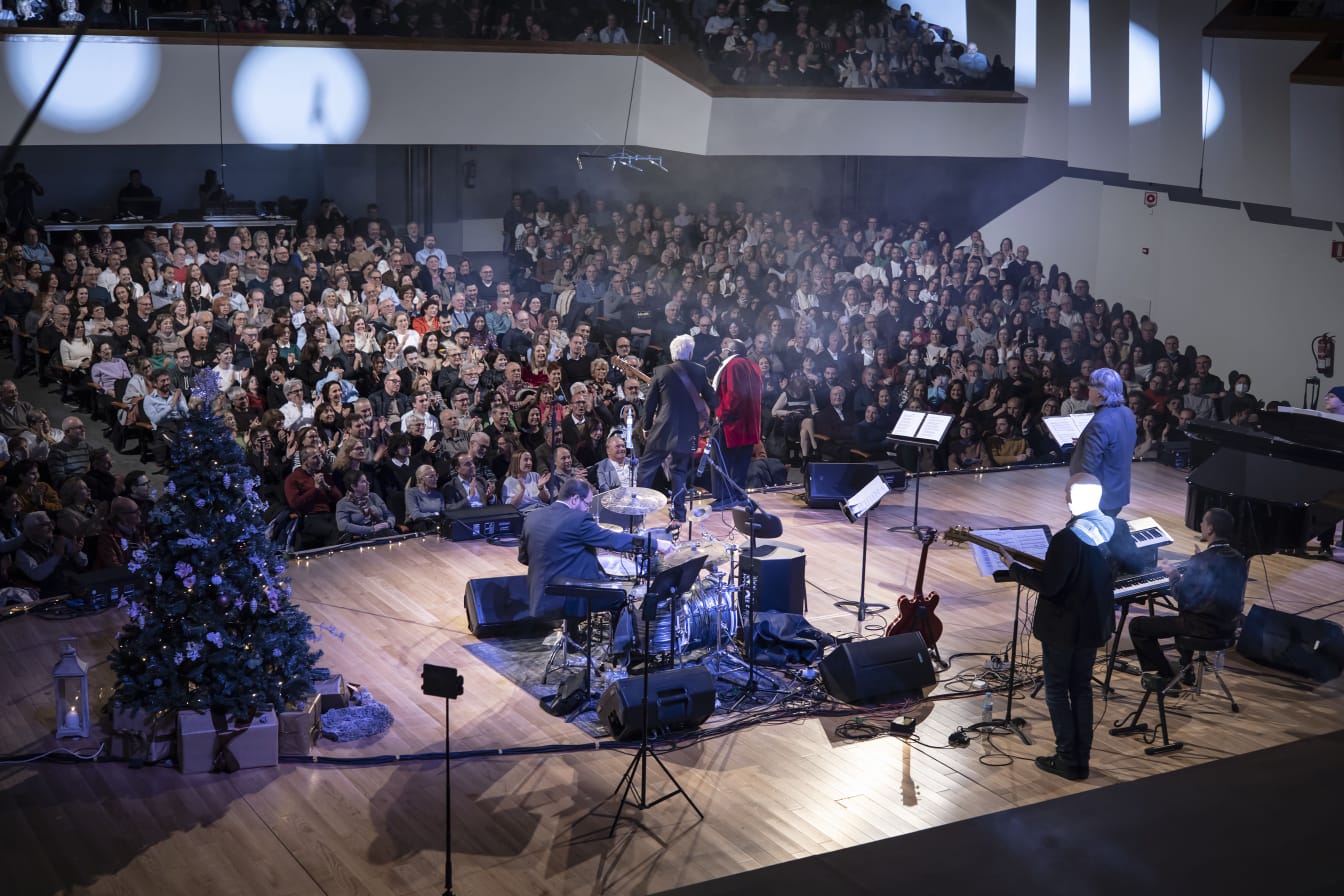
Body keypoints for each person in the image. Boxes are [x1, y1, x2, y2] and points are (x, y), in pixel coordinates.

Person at [999, 474, 1115, 781]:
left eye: (1067, 492)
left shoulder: (1067, 538)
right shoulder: (1114, 527)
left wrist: (1014, 568)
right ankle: (1081, 762)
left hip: (1064, 629)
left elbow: (1050, 586)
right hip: (1093, 625)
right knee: (1082, 690)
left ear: (1074, 498)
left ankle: (1066, 759)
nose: (1065, 497)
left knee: (1056, 692)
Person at [517, 478, 671, 632]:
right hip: (567, 597)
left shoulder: (532, 517)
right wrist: (657, 544)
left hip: (539, 596)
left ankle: (572, 638)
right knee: (620, 596)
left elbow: (524, 558)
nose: (587, 509)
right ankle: (620, 652)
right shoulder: (577, 519)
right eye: (587, 504)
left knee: (577, 575)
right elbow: (613, 539)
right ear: (575, 499)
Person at [1129, 508, 1246, 691]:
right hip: (1228, 627)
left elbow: (1182, 595)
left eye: (1203, 522)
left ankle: (1166, 675)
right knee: (1186, 614)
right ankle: (1186, 666)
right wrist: (1199, 562)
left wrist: (1174, 575)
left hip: (1203, 628)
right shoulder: (1239, 559)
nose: (1200, 525)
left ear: (1210, 529)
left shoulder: (1201, 561)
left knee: (1137, 626)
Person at [637, 334, 717, 522]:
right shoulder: (699, 371)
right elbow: (713, 400)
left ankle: (638, 513)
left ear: (673, 354)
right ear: (690, 353)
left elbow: (650, 403)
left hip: (662, 430)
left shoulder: (661, 371)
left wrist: (646, 426)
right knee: (679, 471)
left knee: (646, 469)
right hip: (688, 431)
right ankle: (679, 512)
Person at [1069, 367, 1135, 517]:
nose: (1088, 391)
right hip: (1118, 492)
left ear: (1099, 392)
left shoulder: (1100, 422)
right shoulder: (1127, 413)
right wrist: (1083, 444)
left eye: (1090, 387)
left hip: (1098, 498)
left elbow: (1089, 467)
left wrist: (1079, 498)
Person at [709, 338, 762, 510]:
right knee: (740, 462)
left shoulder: (733, 365)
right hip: (749, 423)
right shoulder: (753, 365)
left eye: (725, 347)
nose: (722, 350)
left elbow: (734, 393)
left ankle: (725, 497)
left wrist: (720, 414)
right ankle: (738, 494)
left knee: (722, 460)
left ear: (731, 351)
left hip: (733, 423)